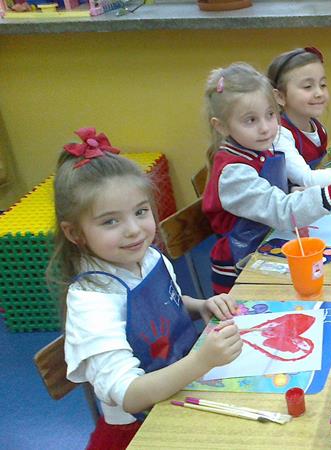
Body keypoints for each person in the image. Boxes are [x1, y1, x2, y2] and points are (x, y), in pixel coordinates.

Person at [49, 128, 243, 450]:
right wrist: (201, 361)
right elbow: (128, 395)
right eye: (110, 221)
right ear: (75, 233)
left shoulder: (149, 257)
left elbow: (163, 305)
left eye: (140, 212)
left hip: (182, 396)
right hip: (138, 432)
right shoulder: (92, 302)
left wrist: (199, 306)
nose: (134, 230)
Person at [202, 62, 331, 293]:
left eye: (270, 115)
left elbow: (267, 197)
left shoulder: (257, 149)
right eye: (250, 120)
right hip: (242, 271)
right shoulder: (234, 172)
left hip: (268, 245)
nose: (266, 128)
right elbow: (281, 210)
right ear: (222, 127)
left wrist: (293, 192)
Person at [267, 47, 331, 187]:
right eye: (307, 86)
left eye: (323, 85)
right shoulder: (279, 136)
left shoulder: (315, 125)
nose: (319, 93)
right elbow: (307, 179)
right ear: (280, 96)